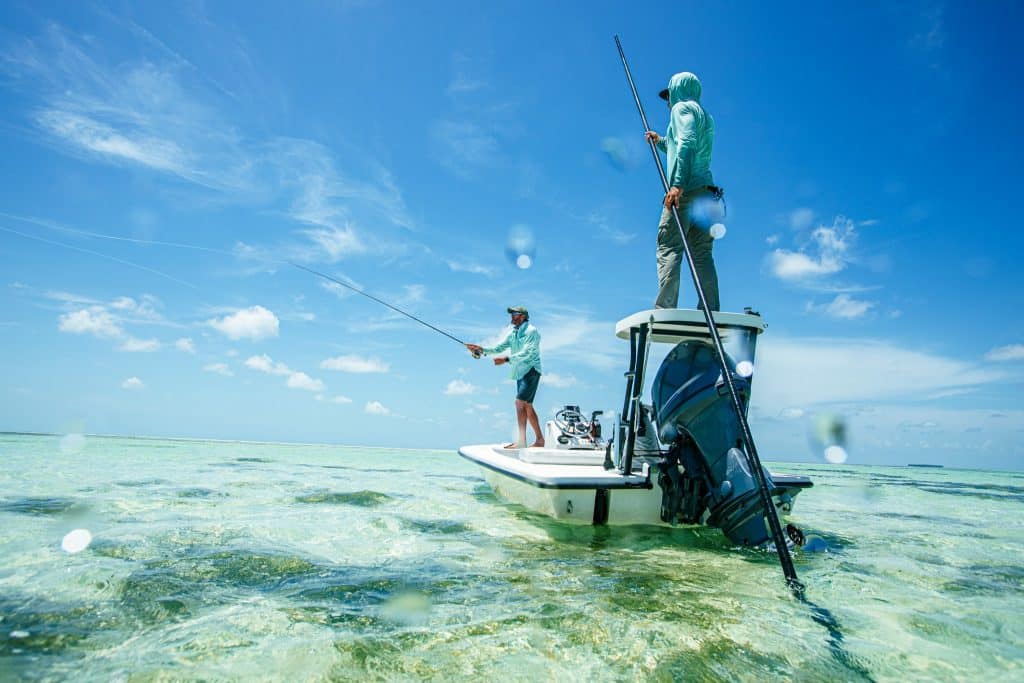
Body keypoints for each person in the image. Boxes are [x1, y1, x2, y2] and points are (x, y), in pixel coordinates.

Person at [645, 71, 720, 311]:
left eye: (669, 95)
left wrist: (677, 185)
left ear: (677, 90)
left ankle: (665, 308)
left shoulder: (680, 109)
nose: (668, 102)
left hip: (686, 191)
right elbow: (678, 145)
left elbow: (687, 143)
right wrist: (660, 140)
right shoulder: (705, 116)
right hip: (707, 193)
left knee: (669, 246)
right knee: (702, 254)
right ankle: (710, 309)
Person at [465, 306, 544, 449]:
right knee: (527, 405)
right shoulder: (513, 333)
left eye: (515, 313)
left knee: (519, 403)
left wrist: (506, 359)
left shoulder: (531, 331)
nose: (512, 316)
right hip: (520, 372)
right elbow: (499, 348)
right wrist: (481, 349)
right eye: (511, 314)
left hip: (531, 370)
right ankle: (540, 440)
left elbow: (527, 353)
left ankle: (521, 441)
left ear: (523, 316)